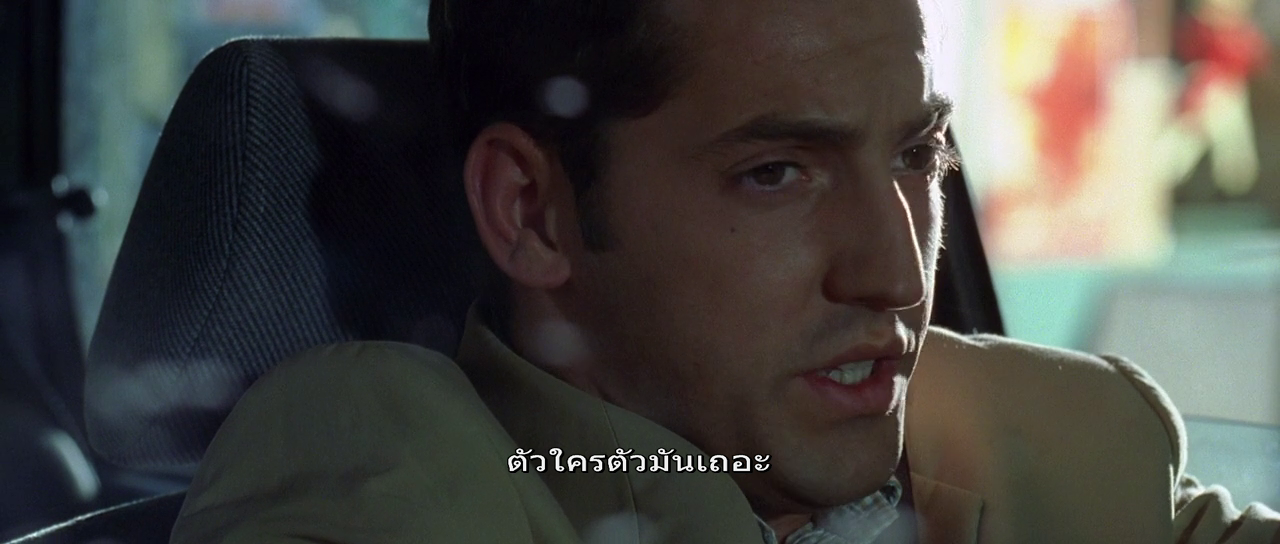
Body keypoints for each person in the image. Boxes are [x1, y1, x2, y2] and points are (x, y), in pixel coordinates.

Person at [169, 0, 1280, 542]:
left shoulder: (1065, 446)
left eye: (916, 156)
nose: (897, 271)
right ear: (531, 213)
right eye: (775, 173)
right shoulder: (375, 467)